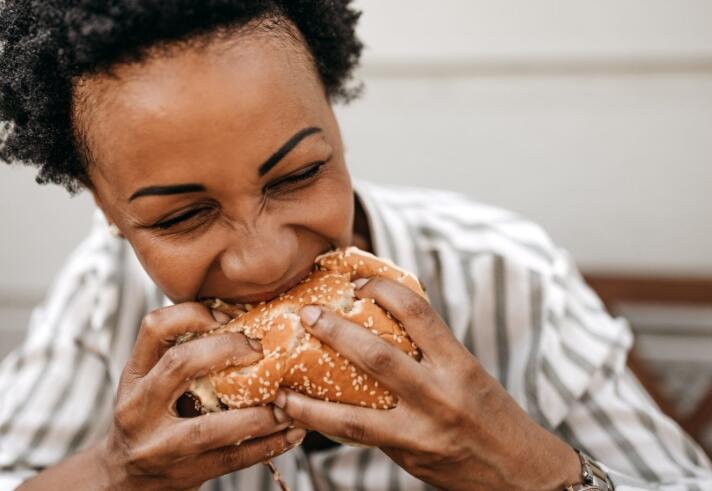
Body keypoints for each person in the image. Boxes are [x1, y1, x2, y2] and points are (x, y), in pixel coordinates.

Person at [0, 1, 710, 490]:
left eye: (300, 173)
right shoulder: (103, 290)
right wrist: (114, 471)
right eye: (183, 215)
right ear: (108, 210)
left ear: (334, 123)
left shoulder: (505, 273)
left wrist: (531, 467)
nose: (266, 259)